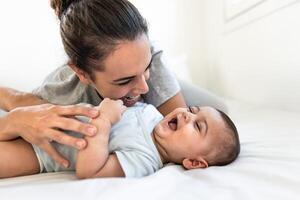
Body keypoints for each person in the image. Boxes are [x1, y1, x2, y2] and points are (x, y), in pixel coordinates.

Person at [0, 0, 227, 169]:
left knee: (220, 113)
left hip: (153, 69)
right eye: (125, 80)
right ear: (82, 73)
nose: (144, 89)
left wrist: (142, 72)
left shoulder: (150, 61)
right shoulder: (60, 94)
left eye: (144, 68)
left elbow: (179, 147)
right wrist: (14, 118)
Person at [0, 98, 240, 178]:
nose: (187, 115)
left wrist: (104, 120)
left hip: (39, 152)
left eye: (198, 126)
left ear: (194, 162)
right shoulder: (150, 112)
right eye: (192, 110)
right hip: (45, 117)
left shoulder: (146, 159)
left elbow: (90, 171)